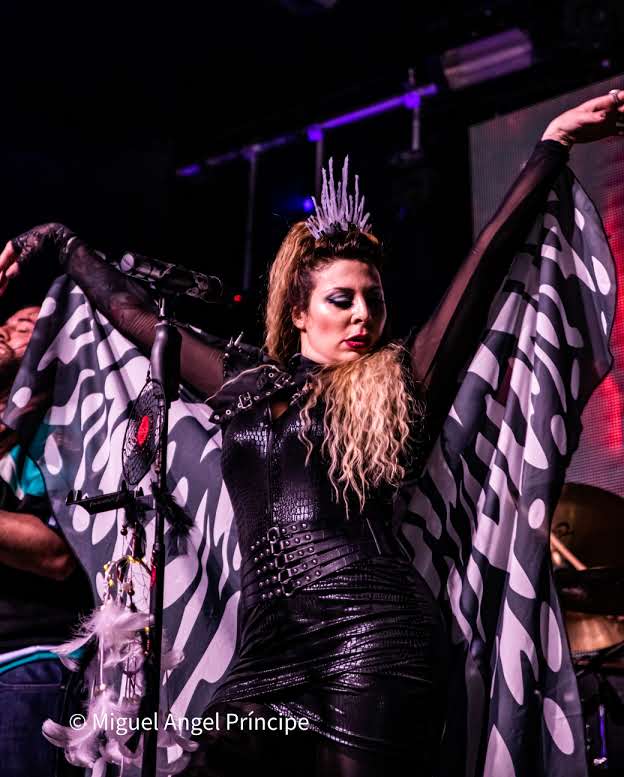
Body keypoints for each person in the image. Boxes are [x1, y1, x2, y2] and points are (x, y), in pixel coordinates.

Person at [0, 89, 622, 777]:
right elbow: (138, 316)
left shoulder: (399, 383)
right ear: (299, 310)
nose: (363, 316)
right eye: (341, 299)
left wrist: (551, 144)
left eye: (373, 300)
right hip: (268, 652)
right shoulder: (244, 383)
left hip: (373, 641)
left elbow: (483, 265)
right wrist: (56, 241)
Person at [0, 306, 91, 777]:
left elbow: (57, 553)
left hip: (27, 663)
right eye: (5, 324)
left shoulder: (60, 430)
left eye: (27, 327)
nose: (7, 330)